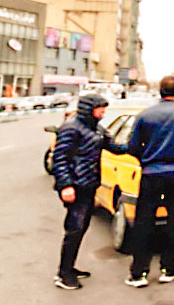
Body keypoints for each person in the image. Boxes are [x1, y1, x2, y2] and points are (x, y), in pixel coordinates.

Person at [123, 76, 174, 287]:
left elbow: (132, 145)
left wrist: (144, 160)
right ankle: (170, 269)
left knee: (144, 222)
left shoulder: (145, 114)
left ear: (160, 91)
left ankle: (139, 273)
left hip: (150, 174)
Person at [52, 93, 130, 290]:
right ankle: (64, 274)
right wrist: (66, 185)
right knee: (74, 229)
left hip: (88, 185)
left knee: (81, 227)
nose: (103, 112)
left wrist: (138, 145)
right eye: (100, 108)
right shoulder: (71, 128)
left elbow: (114, 147)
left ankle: (69, 267)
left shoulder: (96, 127)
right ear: (89, 108)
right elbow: (59, 159)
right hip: (76, 186)